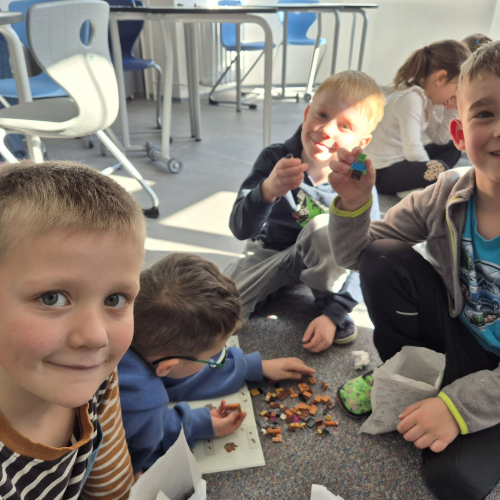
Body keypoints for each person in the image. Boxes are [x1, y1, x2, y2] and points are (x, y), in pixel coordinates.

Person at [328, 40, 500, 500]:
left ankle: (458, 395)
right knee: (385, 258)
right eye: (486, 113)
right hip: (460, 337)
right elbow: (358, 255)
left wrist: (458, 406)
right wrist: (355, 203)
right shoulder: (446, 192)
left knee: (452, 480)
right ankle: (407, 372)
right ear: (460, 134)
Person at [0, 161, 146, 499]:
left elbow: (113, 488)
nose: (95, 337)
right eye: (52, 298)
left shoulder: (93, 376)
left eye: (114, 299)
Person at [225, 70, 385, 353]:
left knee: (327, 228)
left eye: (344, 126)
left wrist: (335, 313)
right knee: (217, 310)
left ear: (361, 144)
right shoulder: (275, 157)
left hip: (324, 260)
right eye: (322, 115)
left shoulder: (358, 180)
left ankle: (325, 296)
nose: (326, 130)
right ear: (307, 113)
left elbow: (366, 254)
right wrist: (267, 190)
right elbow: (240, 229)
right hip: (269, 252)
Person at [118, 252, 315, 475]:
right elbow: (136, 460)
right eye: (213, 356)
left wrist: (253, 367)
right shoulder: (145, 403)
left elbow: (172, 380)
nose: (217, 359)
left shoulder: (123, 327)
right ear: (167, 366)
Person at [364, 40, 470, 196]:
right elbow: (413, 150)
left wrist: (451, 110)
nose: (457, 94)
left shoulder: (425, 98)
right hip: (379, 172)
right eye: (457, 87)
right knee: (439, 169)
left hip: (401, 160)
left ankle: (417, 185)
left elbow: (440, 139)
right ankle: (422, 187)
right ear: (440, 78)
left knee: (453, 147)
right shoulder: (410, 98)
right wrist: (431, 169)